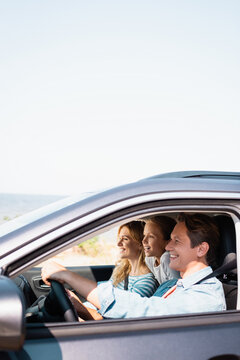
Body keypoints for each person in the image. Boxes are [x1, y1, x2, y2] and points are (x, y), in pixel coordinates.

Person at [41, 213, 226, 320]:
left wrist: (67, 275)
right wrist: (80, 309)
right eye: (169, 239)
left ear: (201, 249)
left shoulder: (204, 297)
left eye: (176, 241)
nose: (168, 247)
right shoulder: (176, 285)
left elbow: (142, 310)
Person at [63, 220, 158, 320]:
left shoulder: (146, 283)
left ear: (140, 244)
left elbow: (117, 320)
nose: (118, 243)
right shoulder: (122, 271)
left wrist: (79, 307)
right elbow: (103, 302)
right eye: (119, 238)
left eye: (125, 239)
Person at [142, 215, 179, 284]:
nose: (144, 241)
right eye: (144, 235)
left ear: (168, 242)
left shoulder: (167, 258)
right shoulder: (150, 260)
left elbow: (177, 288)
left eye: (151, 236)